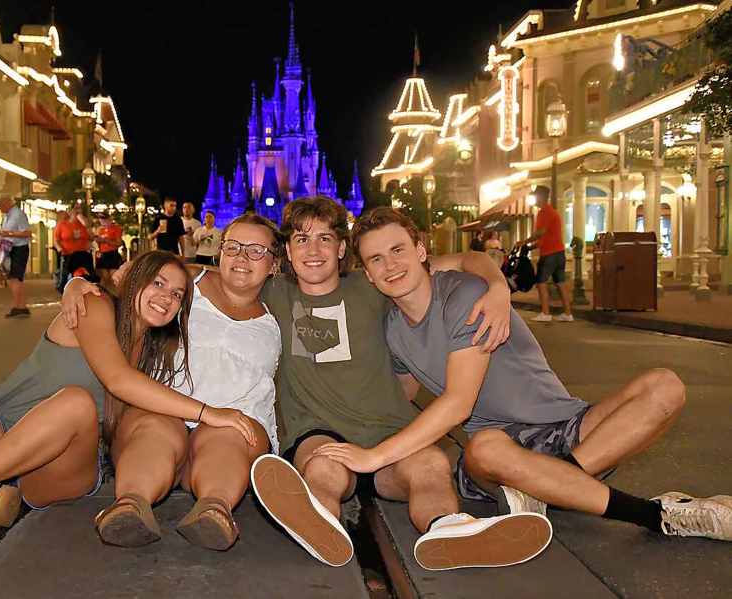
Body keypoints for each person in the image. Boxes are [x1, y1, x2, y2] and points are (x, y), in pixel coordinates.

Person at [348, 207, 731, 549]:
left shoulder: (464, 294)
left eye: (398, 250)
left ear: (420, 251)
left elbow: (458, 403)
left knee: (665, 385)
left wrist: (375, 456)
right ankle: (653, 515)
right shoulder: (391, 329)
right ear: (368, 273)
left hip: (569, 430)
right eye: (376, 259)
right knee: (484, 447)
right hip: (499, 453)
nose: (391, 265)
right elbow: (400, 394)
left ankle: (546, 488)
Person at [246, 196, 542, 572]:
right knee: (324, 468)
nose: (314, 250)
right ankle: (319, 522)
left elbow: (469, 260)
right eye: (302, 240)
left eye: (325, 239)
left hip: (388, 433)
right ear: (288, 251)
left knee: (432, 464)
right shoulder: (273, 292)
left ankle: (449, 530)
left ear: (341, 249)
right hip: (318, 430)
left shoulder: (374, 284)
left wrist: (499, 288)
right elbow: (212, 279)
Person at [0, 251, 227, 535]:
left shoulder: (156, 354)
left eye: (177, 294)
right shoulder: (93, 304)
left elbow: (223, 281)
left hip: (58, 466)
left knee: (76, 402)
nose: (166, 297)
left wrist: (189, 266)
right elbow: (116, 379)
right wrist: (207, 412)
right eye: (157, 283)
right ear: (134, 279)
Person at [62, 214, 283, 551]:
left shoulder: (279, 313)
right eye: (233, 247)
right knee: (156, 428)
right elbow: (129, 290)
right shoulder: (186, 285)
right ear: (219, 251)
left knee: (229, 436)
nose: (242, 257)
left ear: (274, 264)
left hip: (233, 425)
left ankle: (215, 510)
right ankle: (130, 505)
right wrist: (76, 284)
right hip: (165, 409)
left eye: (256, 251)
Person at [515, 186, 573, 323]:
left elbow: (542, 231)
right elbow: (547, 237)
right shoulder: (553, 212)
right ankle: (568, 313)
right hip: (559, 253)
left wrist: (525, 241)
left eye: (536, 196)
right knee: (561, 283)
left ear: (541, 196)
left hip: (549, 254)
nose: (534, 199)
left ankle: (545, 313)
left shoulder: (544, 212)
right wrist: (530, 247)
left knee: (541, 282)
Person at [0, 197, 32, 317]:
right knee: (14, 278)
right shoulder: (7, 216)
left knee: (15, 277)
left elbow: (27, 232)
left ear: (7, 203)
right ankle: (21, 306)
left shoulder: (18, 214)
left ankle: (17, 306)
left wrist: (9, 233)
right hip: (10, 248)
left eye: (0, 205)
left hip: (19, 248)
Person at [55, 205, 95, 289]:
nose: (78, 214)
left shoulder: (83, 225)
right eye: (76, 211)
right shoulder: (62, 224)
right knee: (67, 273)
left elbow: (92, 238)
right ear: (70, 213)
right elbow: (56, 239)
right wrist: (59, 248)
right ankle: (66, 287)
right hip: (68, 254)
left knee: (85, 272)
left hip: (82, 254)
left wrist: (87, 227)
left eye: (79, 212)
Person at [95, 212, 124, 287]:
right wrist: (99, 241)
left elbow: (119, 243)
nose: (102, 222)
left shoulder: (116, 229)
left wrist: (106, 240)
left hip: (112, 254)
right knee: (104, 277)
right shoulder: (101, 230)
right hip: (104, 254)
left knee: (113, 277)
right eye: (101, 220)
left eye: (104, 220)